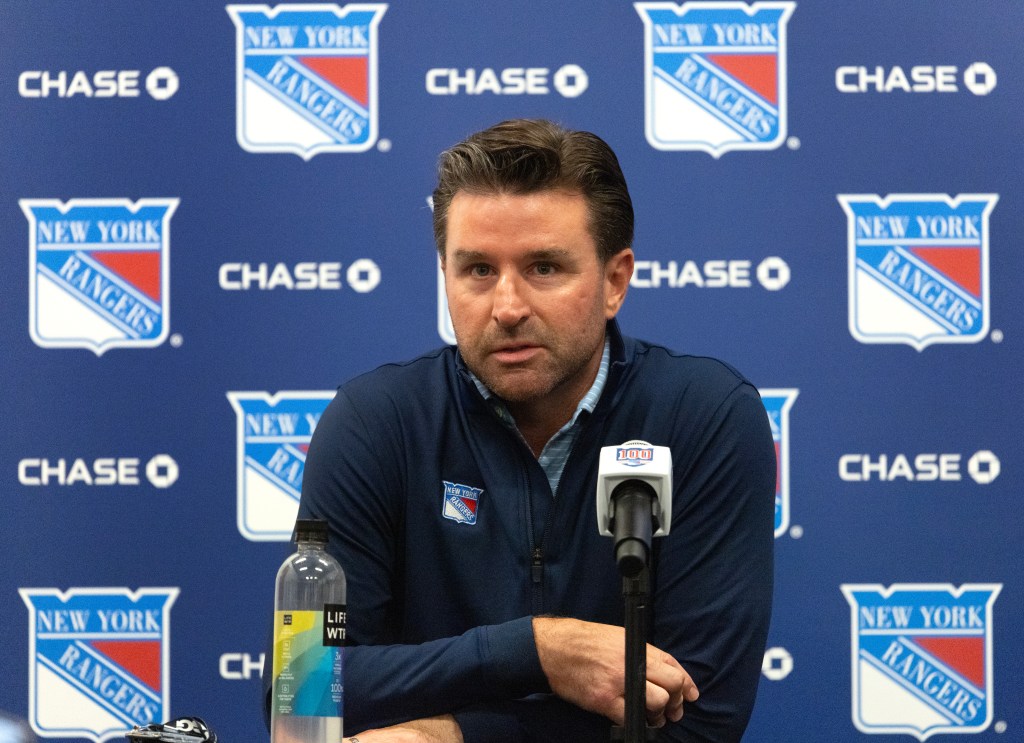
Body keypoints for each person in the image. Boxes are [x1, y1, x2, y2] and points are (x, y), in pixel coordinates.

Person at [285, 119, 776, 742]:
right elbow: (305, 688)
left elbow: (698, 723)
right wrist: (536, 649)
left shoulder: (703, 417)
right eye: (478, 270)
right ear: (445, 275)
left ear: (615, 281)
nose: (508, 306)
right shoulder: (374, 423)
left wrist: (454, 737)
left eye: (544, 268)